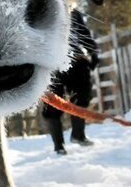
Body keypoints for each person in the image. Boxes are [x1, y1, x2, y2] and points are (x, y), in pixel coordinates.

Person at [42, 9, 99, 154]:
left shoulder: (72, 10)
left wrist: (93, 52)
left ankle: (78, 134)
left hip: (76, 59)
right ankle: (58, 146)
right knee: (52, 104)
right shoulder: (39, 6)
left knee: (81, 96)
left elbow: (83, 32)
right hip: (51, 61)